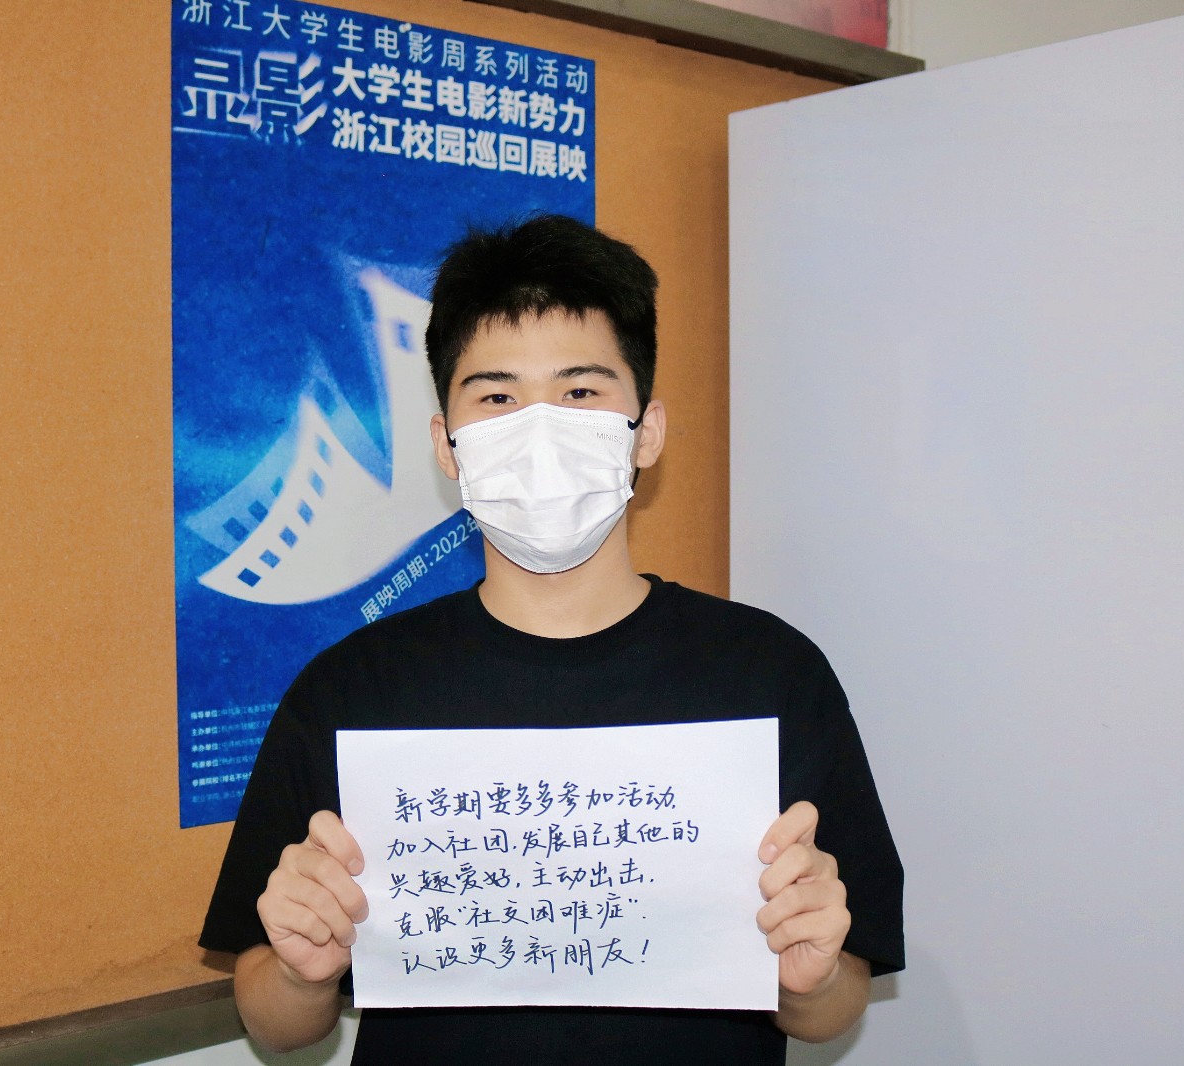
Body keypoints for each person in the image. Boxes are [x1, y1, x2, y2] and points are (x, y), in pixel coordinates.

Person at [198, 215, 904, 1065]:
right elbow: (273, 1022)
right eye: (496, 397)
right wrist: (302, 974)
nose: (538, 429)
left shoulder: (771, 675)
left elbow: (833, 1006)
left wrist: (811, 981)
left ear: (646, 431)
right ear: (447, 446)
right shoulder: (350, 691)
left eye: (580, 393)